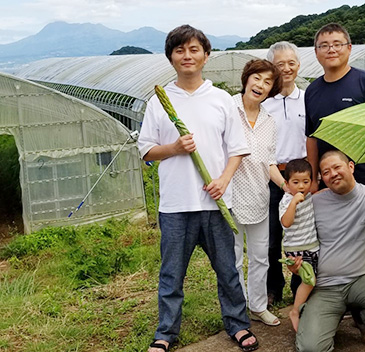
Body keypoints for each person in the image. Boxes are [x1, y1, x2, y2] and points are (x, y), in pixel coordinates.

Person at [138, 25, 258, 352]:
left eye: (194, 50)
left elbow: (237, 150)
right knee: (171, 276)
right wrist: (174, 148)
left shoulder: (220, 99)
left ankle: (238, 324)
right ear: (171, 58)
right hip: (176, 206)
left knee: (228, 271)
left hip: (216, 203)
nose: (187, 56)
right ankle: (165, 333)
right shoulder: (158, 102)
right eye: (180, 51)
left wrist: (223, 180)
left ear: (206, 55)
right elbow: (146, 150)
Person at [304, 22, 365, 279]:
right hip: (330, 179)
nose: (331, 49)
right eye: (324, 45)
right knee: (338, 237)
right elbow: (311, 137)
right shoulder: (313, 90)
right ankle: (347, 294)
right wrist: (313, 179)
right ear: (316, 52)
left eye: (337, 44)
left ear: (349, 48)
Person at [288, 150, 365, 352]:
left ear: (351, 167)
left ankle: (364, 321)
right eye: (326, 172)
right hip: (325, 286)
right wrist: (297, 265)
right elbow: (297, 236)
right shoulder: (314, 203)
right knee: (311, 348)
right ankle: (322, 315)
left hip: (362, 280)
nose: (333, 174)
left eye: (337, 167)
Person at [231, 58, 286, 327]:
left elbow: (270, 162)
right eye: (257, 78)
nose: (261, 85)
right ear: (246, 79)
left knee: (261, 256)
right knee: (233, 259)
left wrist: (286, 187)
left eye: (267, 82)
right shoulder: (227, 108)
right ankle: (238, 308)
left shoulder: (269, 121)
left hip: (259, 196)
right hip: (228, 197)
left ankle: (258, 306)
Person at [262, 41, 307, 306]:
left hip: (302, 177)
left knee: (301, 236)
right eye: (280, 64)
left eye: (291, 63)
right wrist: (281, 183)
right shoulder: (265, 102)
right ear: (272, 68)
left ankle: (300, 284)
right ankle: (273, 289)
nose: (287, 68)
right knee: (270, 238)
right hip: (270, 177)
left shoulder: (308, 98)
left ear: (299, 65)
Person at [278, 159, 319, 332]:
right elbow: (286, 223)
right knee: (309, 280)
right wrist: (293, 203)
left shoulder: (309, 196)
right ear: (287, 183)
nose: (301, 186)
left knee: (311, 281)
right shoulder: (286, 201)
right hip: (296, 249)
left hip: (312, 246)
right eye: (295, 182)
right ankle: (295, 311)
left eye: (305, 182)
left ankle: (305, 311)